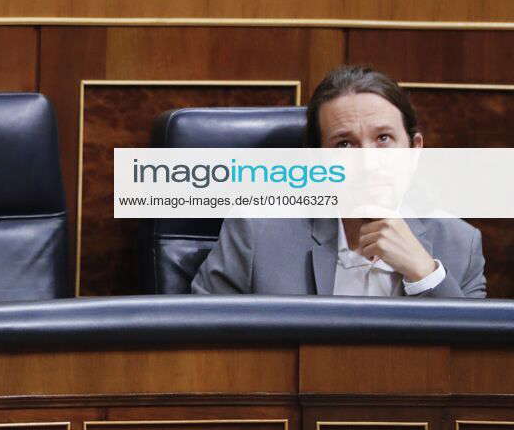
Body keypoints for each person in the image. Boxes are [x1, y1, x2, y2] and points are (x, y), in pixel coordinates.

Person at [191, 65, 486, 298]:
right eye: (345, 145)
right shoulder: (256, 232)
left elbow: (471, 366)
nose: (368, 163)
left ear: (414, 150)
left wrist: (425, 275)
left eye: (383, 139)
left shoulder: (460, 245)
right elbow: (201, 341)